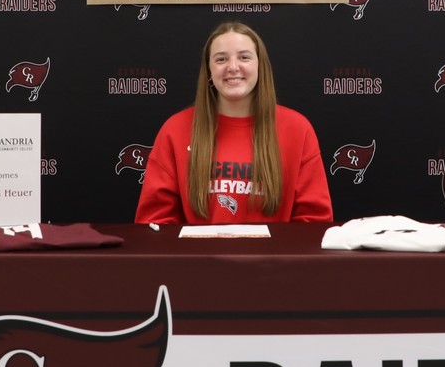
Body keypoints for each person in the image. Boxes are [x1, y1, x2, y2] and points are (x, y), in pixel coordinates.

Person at [135, 22, 333, 224]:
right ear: (209, 71)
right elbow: (154, 223)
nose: (233, 67)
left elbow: (314, 222)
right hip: (198, 256)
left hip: (273, 256)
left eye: (244, 57)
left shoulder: (297, 129)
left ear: (260, 66)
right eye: (221, 59)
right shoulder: (175, 130)